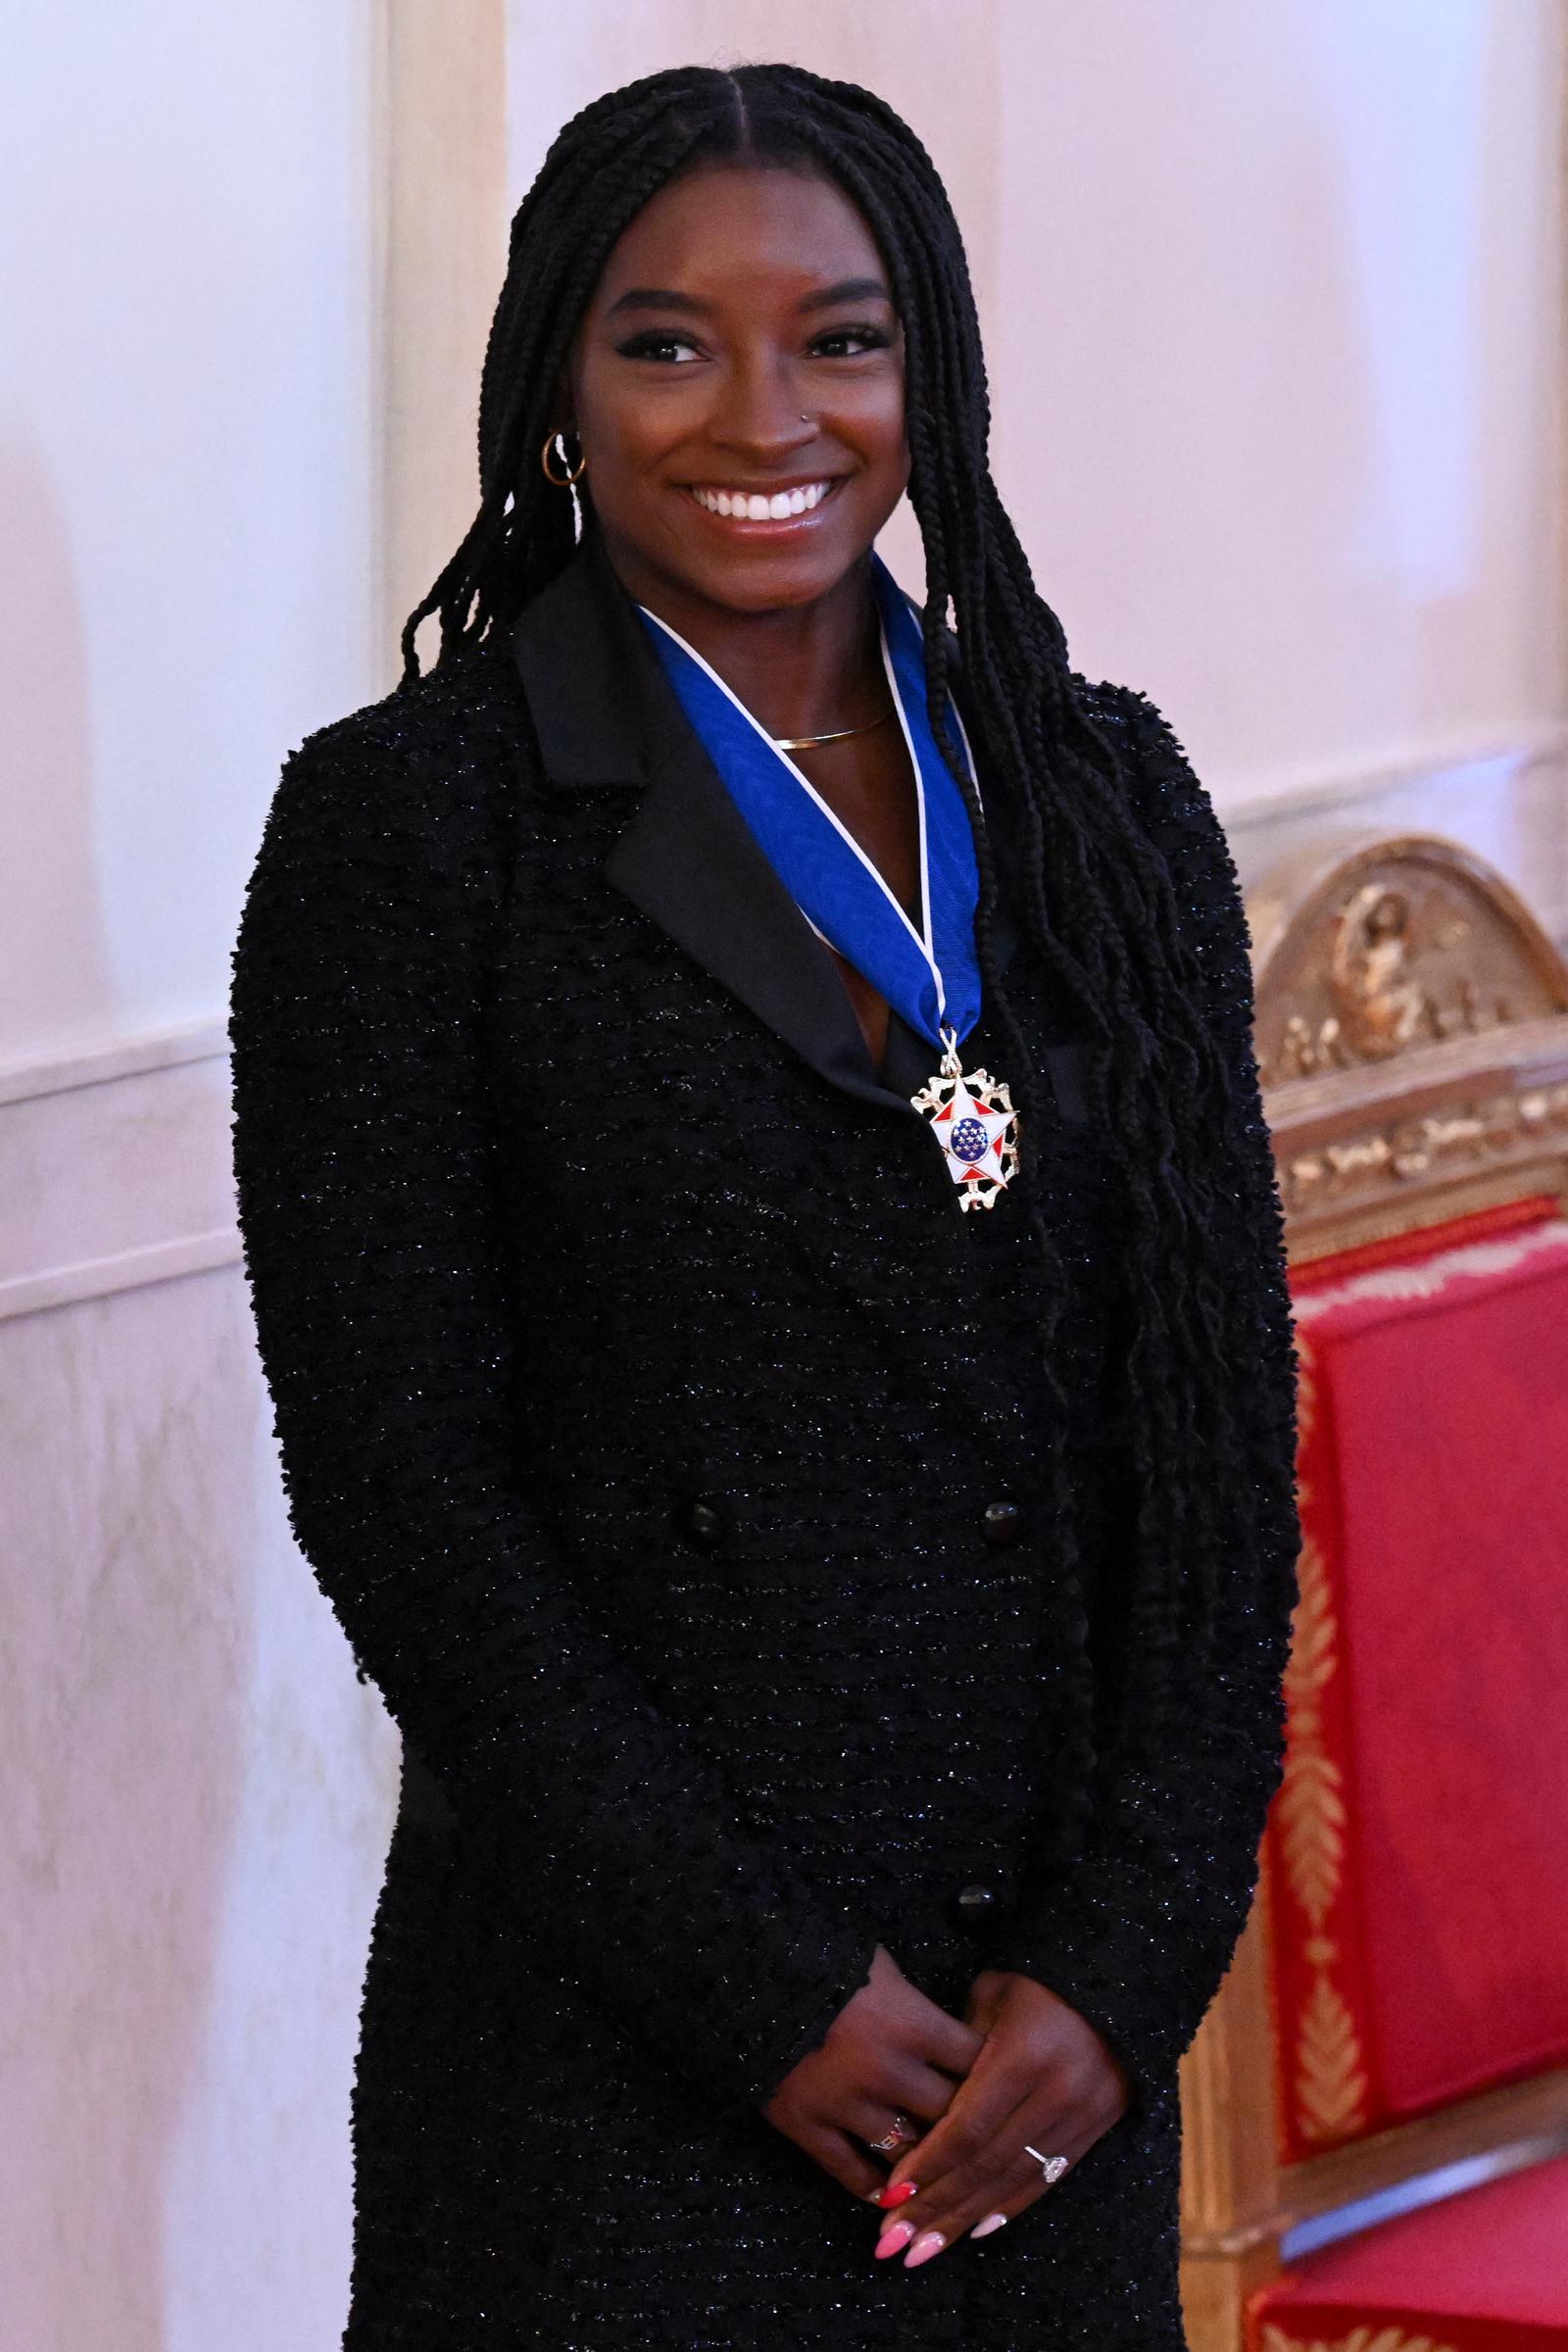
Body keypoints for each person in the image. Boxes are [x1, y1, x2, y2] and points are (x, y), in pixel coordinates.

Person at [228, 60, 1298, 2352]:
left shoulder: (1100, 796)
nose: (761, 411)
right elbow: (402, 1497)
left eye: (837, 335)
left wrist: (1123, 1967)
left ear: (929, 367)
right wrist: (762, 1989)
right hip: (623, 2055)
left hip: (1041, 2069)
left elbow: (1213, 1451)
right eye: (662, 340)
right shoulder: (410, 836)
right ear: (552, 387)